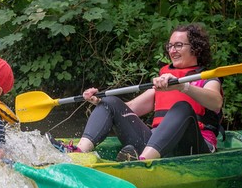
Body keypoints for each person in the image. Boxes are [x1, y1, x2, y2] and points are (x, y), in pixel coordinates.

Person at [63, 23, 223, 161]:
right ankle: (79, 152)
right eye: (170, 46)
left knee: (182, 106)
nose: (172, 50)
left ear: (195, 48)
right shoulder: (163, 82)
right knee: (110, 102)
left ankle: (142, 162)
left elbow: (215, 101)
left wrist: (183, 87)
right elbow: (128, 108)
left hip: (192, 146)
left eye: (179, 45)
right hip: (156, 145)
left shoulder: (208, 79)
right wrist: (99, 102)